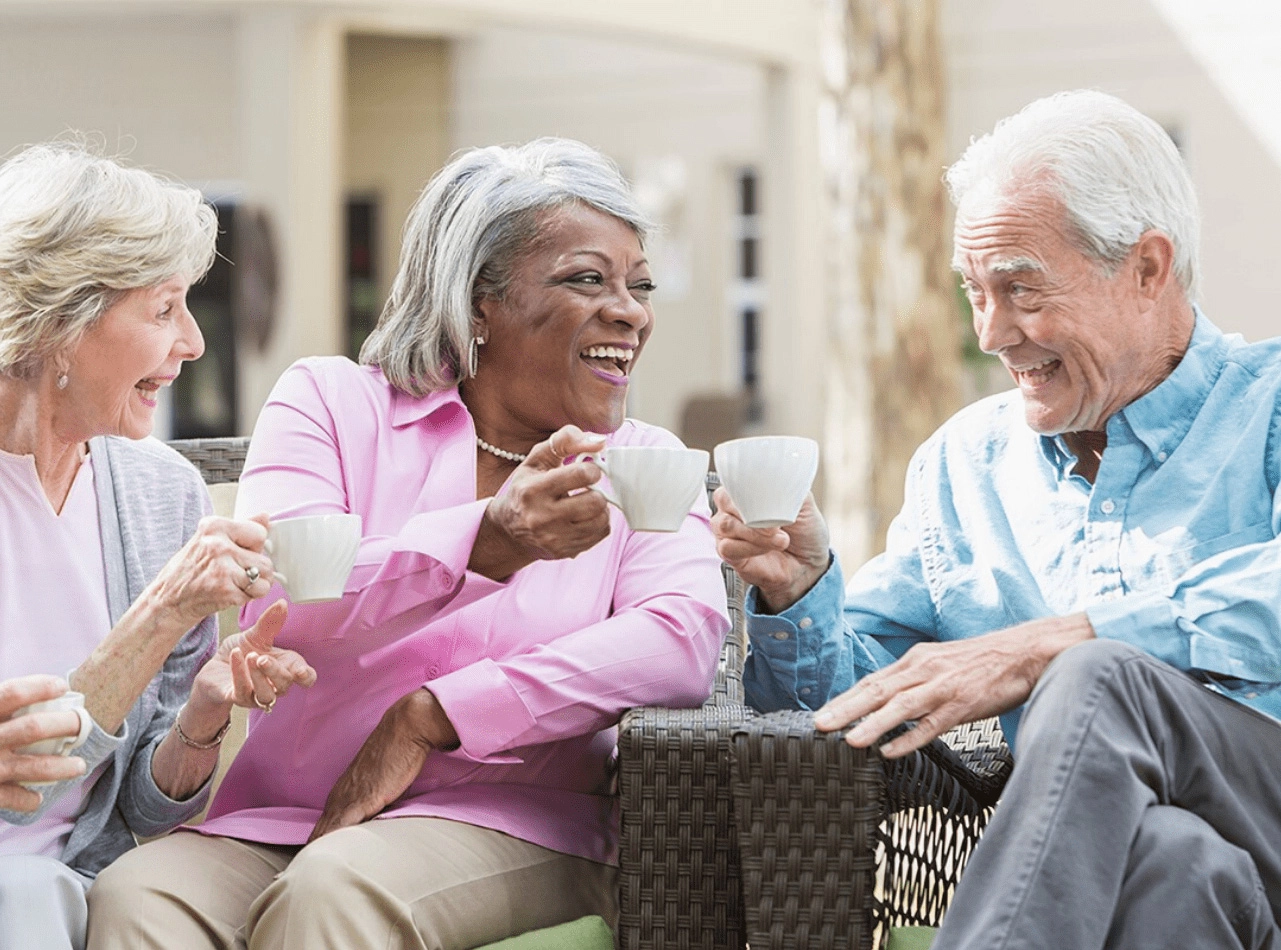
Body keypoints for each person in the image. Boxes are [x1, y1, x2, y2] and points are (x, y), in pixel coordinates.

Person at [89, 137, 731, 950]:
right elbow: (284, 599)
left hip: (518, 819)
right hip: (292, 812)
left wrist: (436, 714)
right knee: (138, 895)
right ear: (476, 302)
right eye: (586, 279)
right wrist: (482, 543)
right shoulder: (328, 403)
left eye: (637, 285)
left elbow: (681, 643)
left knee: (337, 888)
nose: (629, 311)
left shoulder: (642, 463)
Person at [713, 89, 1281, 949]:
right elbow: (860, 706)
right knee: (1174, 860)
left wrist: (1047, 647)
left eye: (1019, 289)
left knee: (1096, 676)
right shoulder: (964, 463)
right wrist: (800, 594)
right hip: (1184, 880)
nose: (989, 333)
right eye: (973, 292)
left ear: (1146, 268)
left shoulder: (1267, 405)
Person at [0, 142, 316, 950]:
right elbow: (22, 799)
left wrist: (203, 716)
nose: (194, 343)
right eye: (164, 309)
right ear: (62, 320)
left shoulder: (160, 493)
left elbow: (143, 807)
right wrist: (164, 610)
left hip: (81, 883)